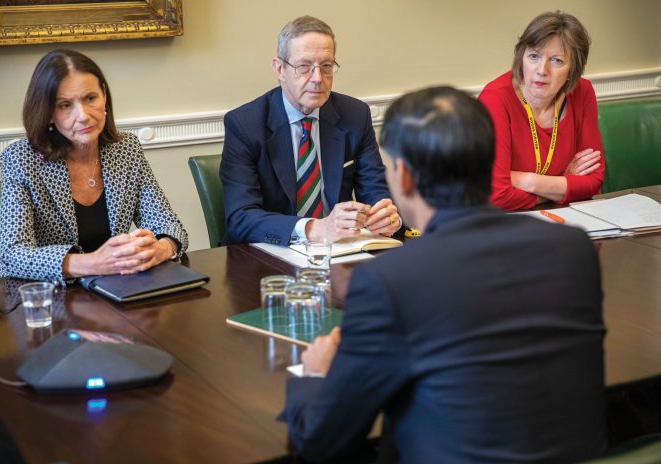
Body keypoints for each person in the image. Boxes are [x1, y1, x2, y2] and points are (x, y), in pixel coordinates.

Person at [279, 87, 606, 463]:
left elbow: (321, 440)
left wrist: (315, 376)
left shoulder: (390, 280)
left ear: (402, 177)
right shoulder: (574, 249)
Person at [0, 49, 188, 284]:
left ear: (104, 97)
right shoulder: (21, 158)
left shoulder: (126, 148)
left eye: (90, 98)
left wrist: (160, 248)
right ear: (48, 112)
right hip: (35, 295)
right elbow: (14, 255)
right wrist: (94, 263)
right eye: (65, 105)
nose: (82, 115)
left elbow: (169, 224)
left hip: (111, 289)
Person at [220, 16, 401, 245]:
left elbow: (375, 190)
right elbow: (240, 217)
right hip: (267, 253)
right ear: (279, 69)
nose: (318, 79)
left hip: (339, 252)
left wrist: (384, 215)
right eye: (304, 66)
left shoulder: (355, 115)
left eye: (326, 66)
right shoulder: (244, 124)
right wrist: (312, 228)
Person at [479, 11, 605, 210]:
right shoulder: (496, 98)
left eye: (557, 60)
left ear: (573, 69)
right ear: (521, 58)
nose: (542, 70)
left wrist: (527, 181)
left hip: (561, 221)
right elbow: (498, 196)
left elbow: (593, 181)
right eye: (533, 56)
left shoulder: (583, 92)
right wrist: (563, 183)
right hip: (502, 226)